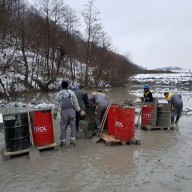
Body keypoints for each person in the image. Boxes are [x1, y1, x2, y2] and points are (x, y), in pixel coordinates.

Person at [52, 81, 85, 147]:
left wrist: (54, 113)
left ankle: (63, 143)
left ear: (61, 86)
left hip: (63, 112)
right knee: (73, 127)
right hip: (72, 111)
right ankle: (72, 142)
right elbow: (76, 103)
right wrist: (80, 111)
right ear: (67, 86)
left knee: (63, 127)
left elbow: (56, 105)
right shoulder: (72, 93)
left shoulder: (59, 94)